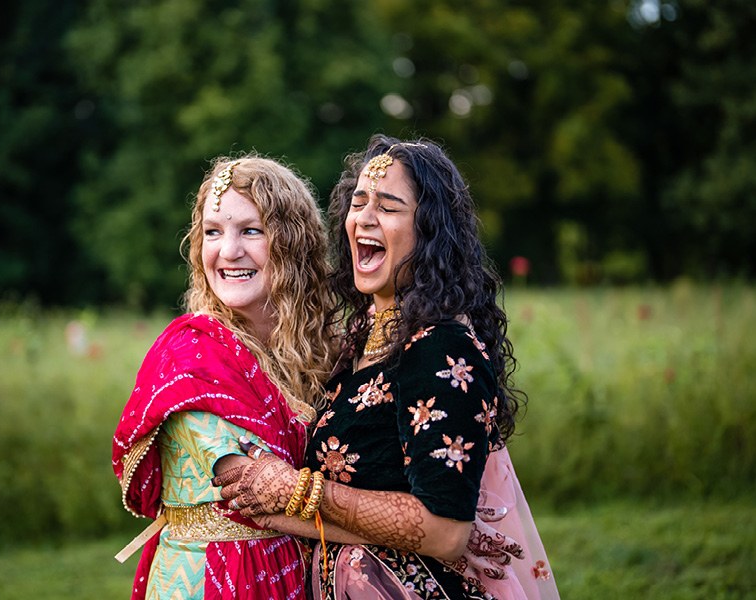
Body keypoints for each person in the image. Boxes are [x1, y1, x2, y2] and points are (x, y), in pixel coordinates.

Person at [215, 136, 558, 599]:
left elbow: (446, 534)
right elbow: (319, 512)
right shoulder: (363, 339)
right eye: (358, 203)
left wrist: (297, 490)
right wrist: (279, 503)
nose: (364, 219)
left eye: (389, 206)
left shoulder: (441, 347)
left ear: (430, 231)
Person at [112, 156, 358, 600]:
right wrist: (418, 534)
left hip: (298, 570)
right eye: (212, 232)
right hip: (211, 576)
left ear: (293, 243)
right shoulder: (193, 357)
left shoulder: (327, 351)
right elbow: (259, 491)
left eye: (251, 230)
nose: (227, 251)